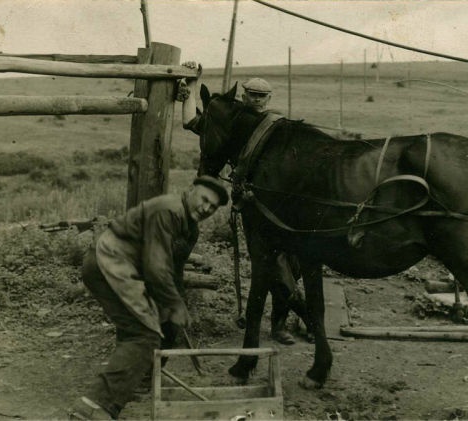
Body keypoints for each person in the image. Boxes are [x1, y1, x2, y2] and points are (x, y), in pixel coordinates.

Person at [69, 176, 229, 420]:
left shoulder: (189, 227)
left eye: (213, 207)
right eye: (204, 199)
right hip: (109, 263)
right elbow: (156, 266)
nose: (206, 208)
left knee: (151, 326)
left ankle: (132, 382)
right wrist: (174, 304)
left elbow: (173, 269)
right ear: (190, 190)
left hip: (125, 269)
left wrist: (176, 305)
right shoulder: (169, 210)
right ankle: (95, 406)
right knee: (143, 334)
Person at [177, 63, 309, 345]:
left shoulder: (277, 126)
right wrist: (190, 86)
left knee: (292, 265)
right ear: (244, 96)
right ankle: (287, 322)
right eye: (252, 95)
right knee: (271, 265)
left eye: (262, 97)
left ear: (269, 99)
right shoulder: (232, 122)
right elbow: (192, 122)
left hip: (285, 205)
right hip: (254, 206)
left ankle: (279, 324)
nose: (257, 100)